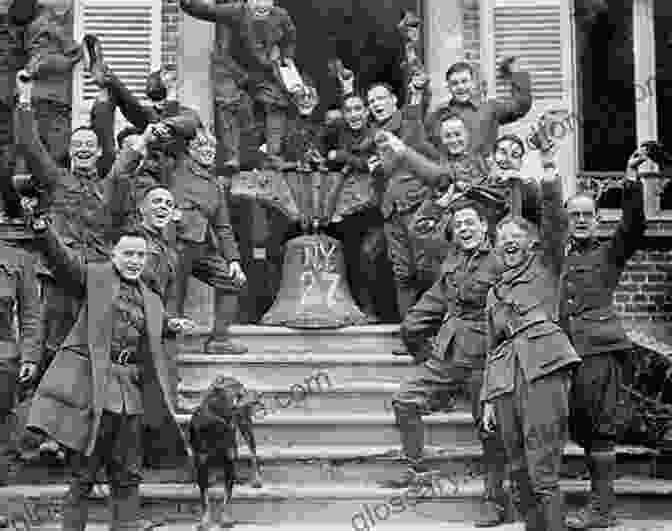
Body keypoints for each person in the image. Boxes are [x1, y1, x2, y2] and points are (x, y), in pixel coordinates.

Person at [19, 222, 194, 531]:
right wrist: (45, 230)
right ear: (113, 254)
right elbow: (64, 261)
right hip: (93, 392)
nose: (135, 261)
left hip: (131, 396)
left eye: (140, 255)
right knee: (82, 475)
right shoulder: (95, 278)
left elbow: (148, 324)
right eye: (128, 253)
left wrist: (170, 325)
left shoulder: (150, 297)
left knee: (128, 476)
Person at [481, 147, 581, 531]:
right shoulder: (493, 294)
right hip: (505, 381)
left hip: (542, 370)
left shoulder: (546, 266)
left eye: (515, 236)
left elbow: (556, 221)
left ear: (531, 243)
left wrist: (551, 168)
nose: (507, 241)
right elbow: (492, 349)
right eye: (500, 237)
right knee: (518, 471)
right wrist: (488, 399)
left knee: (542, 473)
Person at [393, 200, 510, 527]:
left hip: (485, 357)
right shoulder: (452, 260)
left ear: (485, 227)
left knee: (490, 430)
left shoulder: (500, 261)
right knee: (405, 399)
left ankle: (495, 500)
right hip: (448, 352)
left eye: (471, 223)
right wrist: (412, 327)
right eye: (459, 225)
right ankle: (418, 470)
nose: (465, 229)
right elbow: (438, 298)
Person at [562, 149, 647, 529]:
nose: (580, 221)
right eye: (574, 215)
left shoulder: (610, 253)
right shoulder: (556, 257)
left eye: (587, 215)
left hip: (599, 349)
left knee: (599, 429)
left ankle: (602, 510)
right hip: (563, 353)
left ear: (597, 221)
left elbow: (633, 226)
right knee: (579, 426)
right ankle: (600, 496)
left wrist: (631, 181)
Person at [179, 0, 298, 165]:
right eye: (257, 1)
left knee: (277, 101)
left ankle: (273, 156)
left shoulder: (281, 16)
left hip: (260, 69)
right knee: (228, 104)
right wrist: (186, 2)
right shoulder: (235, 11)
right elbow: (206, 10)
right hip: (230, 67)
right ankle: (232, 157)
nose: (262, 5)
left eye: (266, 1)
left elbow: (290, 36)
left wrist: (286, 56)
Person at [367, 81, 441, 317]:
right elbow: (384, 181)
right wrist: (377, 173)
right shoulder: (375, 136)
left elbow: (427, 161)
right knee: (402, 273)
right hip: (393, 212)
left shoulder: (410, 122)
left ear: (394, 100)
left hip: (417, 207)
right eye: (371, 102)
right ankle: (409, 334)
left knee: (427, 270)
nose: (375, 104)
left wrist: (417, 93)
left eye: (380, 98)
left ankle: (432, 333)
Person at [326, 93, 388, 320]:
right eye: (348, 110)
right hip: (345, 208)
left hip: (372, 207)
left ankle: (374, 310)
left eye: (358, 109)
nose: (354, 115)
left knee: (369, 255)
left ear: (366, 111)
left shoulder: (376, 135)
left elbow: (374, 166)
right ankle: (355, 309)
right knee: (349, 257)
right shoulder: (337, 135)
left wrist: (343, 157)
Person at [425, 60, 532, 158]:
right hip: (452, 175)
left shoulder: (490, 108)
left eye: (464, 81)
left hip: (485, 174)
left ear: (472, 83)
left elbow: (520, 105)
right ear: (448, 87)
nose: (461, 87)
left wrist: (516, 73)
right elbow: (422, 140)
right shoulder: (439, 114)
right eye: (454, 83)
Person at [0, 240, 42, 486]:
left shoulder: (18, 258)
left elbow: (31, 315)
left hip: (3, 358)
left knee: (4, 432)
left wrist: (30, 356)